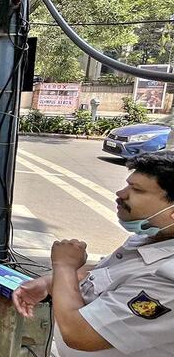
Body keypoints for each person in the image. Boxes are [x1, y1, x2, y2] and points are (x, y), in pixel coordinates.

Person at [12, 151, 174, 356]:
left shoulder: (169, 281)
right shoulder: (152, 238)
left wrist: (64, 266)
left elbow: (79, 333)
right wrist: (49, 282)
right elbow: (108, 274)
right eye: (127, 185)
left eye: (137, 190)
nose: (121, 193)